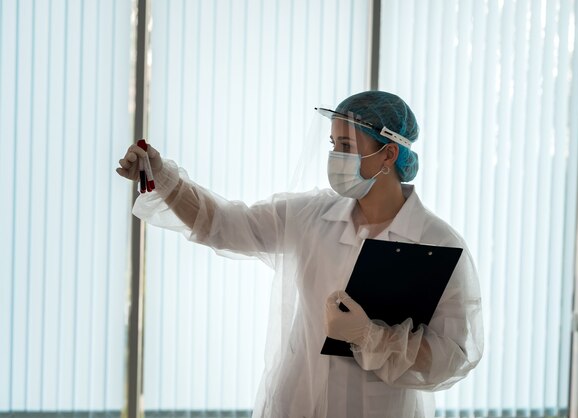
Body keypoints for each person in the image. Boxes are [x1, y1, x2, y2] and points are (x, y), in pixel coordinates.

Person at [116, 90, 483, 418]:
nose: (335, 156)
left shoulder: (437, 243)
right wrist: (162, 176)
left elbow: (452, 357)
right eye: (333, 144)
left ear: (389, 153)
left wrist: (370, 336)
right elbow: (223, 224)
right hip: (295, 404)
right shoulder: (310, 216)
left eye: (346, 145)